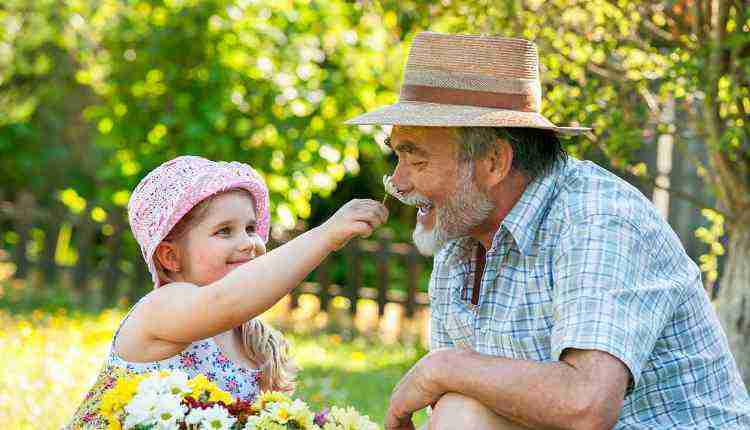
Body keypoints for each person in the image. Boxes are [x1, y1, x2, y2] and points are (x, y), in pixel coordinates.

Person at [346, 32, 750, 429]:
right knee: (460, 410)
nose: (396, 183)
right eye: (397, 156)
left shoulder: (598, 220)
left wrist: (443, 367)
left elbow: (587, 404)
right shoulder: (462, 239)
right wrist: (448, 376)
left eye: (416, 161)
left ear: (493, 162)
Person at [67, 155, 388, 428]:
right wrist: (326, 236)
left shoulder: (253, 340)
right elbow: (225, 302)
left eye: (250, 228)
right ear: (171, 257)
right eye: (224, 231)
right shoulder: (161, 308)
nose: (249, 242)